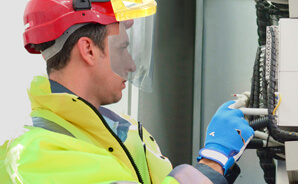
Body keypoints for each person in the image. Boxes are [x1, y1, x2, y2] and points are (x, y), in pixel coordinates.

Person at [0, 0, 254, 183]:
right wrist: (213, 161)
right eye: (122, 48)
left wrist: (218, 170)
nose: (131, 65)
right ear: (88, 50)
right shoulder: (39, 153)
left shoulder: (125, 133)